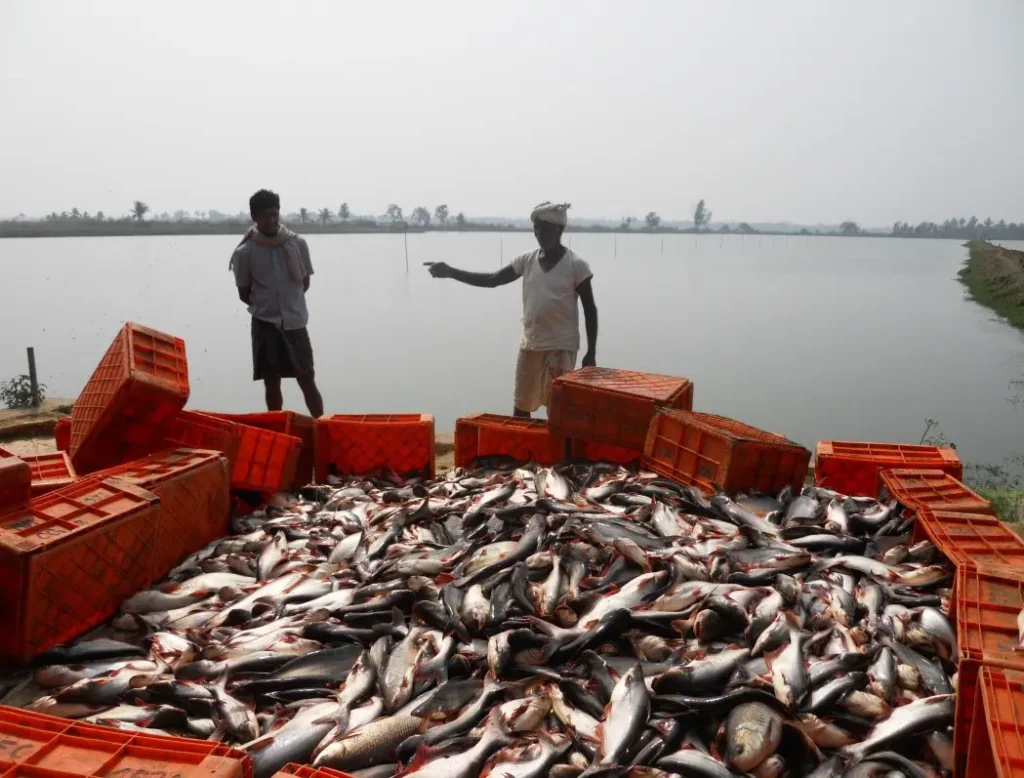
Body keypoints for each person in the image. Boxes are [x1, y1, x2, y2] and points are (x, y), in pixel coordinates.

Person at [428, 201, 598, 417]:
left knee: (559, 409)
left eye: (544, 229)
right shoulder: (527, 261)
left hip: (562, 346)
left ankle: (556, 450)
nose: (539, 233)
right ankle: (522, 448)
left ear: (559, 230)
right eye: (536, 228)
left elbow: (590, 309)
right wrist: (451, 272)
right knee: (521, 406)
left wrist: (591, 351)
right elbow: (493, 279)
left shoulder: (576, 265)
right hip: (531, 344)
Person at [230, 189, 324, 417]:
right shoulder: (245, 253)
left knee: (306, 378)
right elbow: (244, 293)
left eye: (275, 214)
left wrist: (288, 304)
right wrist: (269, 305)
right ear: (255, 218)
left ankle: (323, 427)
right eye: (266, 216)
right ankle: (277, 431)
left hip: (295, 321)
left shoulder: (297, 244)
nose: (272, 220)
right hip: (265, 323)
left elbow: (305, 283)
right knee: (271, 381)